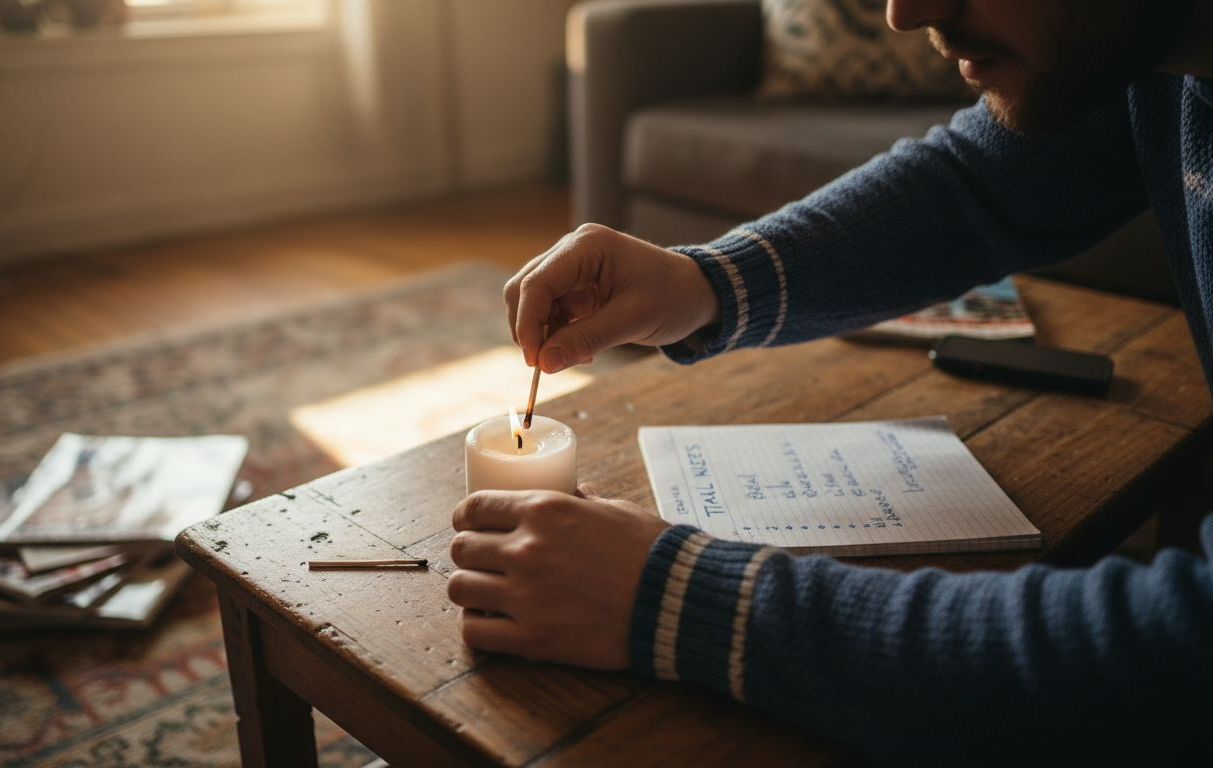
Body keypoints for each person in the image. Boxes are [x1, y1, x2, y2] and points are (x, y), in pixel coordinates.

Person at [446, 0, 1213, 763]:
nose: (905, 14)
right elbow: (980, 185)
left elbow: (1179, 663)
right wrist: (703, 280)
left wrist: (681, 600)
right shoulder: (1158, 66)